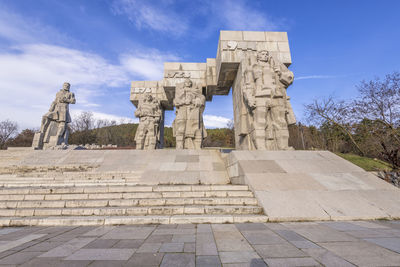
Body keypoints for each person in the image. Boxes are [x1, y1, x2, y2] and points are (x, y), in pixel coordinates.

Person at [243, 50, 295, 150]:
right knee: (260, 122)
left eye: (267, 54)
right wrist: (250, 98)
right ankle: (261, 147)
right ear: (258, 56)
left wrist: (280, 74)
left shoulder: (275, 67)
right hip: (260, 96)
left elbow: (289, 78)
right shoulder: (252, 68)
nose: (265, 56)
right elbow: (248, 84)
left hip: (277, 96)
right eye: (263, 54)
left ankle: (283, 146)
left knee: (281, 122)